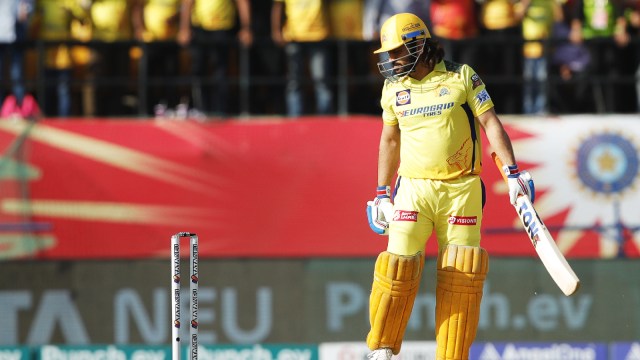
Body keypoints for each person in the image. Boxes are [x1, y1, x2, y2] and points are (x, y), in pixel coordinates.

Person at [364, 13, 535, 360]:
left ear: (418, 44)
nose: (391, 61)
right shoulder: (393, 88)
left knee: (461, 277)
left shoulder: (462, 76)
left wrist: (512, 172)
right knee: (396, 266)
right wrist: (381, 193)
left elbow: (490, 122)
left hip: (462, 191)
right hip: (413, 189)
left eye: (397, 52)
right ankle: (381, 349)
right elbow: (389, 140)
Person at [177, 0, 253, 117]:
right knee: (199, 68)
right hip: (200, 29)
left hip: (223, 28)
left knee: (221, 70)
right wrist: (184, 28)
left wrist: (246, 28)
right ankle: (201, 108)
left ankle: (220, 110)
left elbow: (242, 2)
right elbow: (188, 3)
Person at [271, 0, 333, 117]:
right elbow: (277, 6)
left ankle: (326, 118)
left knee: (321, 80)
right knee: (294, 81)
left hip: (318, 36)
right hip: (293, 37)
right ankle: (294, 117)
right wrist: (276, 30)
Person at [516, 0, 563, 115]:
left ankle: (540, 110)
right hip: (529, 49)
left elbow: (559, 18)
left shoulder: (548, 3)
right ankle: (529, 110)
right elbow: (517, 16)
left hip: (544, 49)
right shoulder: (525, 2)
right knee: (530, 81)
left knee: (542, 81)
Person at [0, 0, 33, 116]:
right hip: (2, 33)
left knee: (17, 74)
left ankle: (19, 109)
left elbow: (29, 5)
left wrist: (26, 10)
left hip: (16, 34)